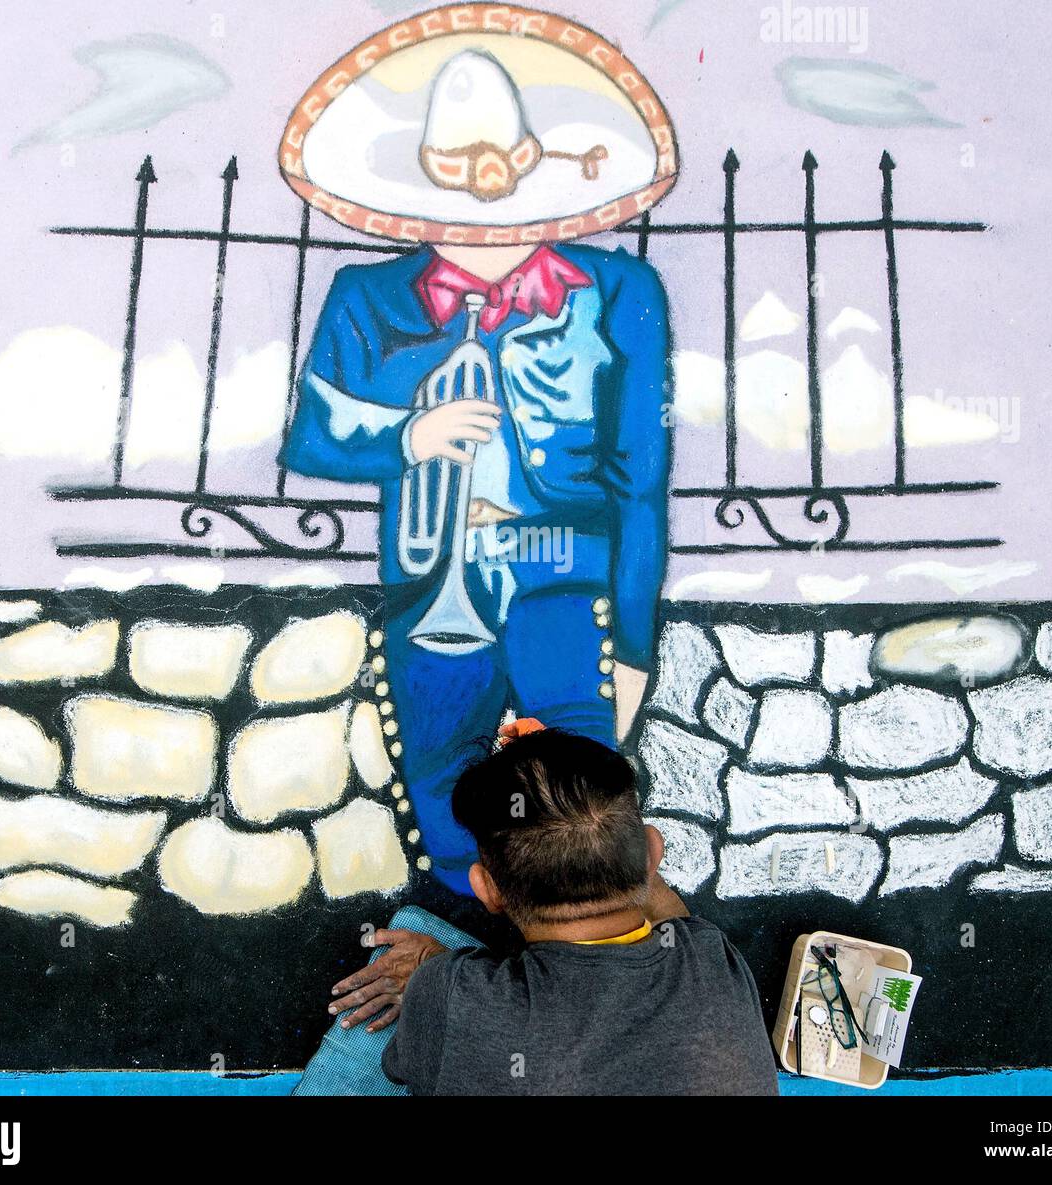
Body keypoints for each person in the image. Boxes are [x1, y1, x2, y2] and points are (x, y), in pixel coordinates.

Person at [276, 10, 680, 895]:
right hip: (430, 591)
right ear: (422, 170)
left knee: (580, 822)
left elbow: (642, 483)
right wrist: (405, 436)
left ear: (532, 161)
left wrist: (638, 644)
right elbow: (309, 435)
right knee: (444, 799)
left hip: (568, 591)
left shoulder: (620, 293)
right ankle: (475, 963)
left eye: (494, 160)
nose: (478, 187)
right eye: (454, 163)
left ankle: (568, 978)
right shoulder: (365, 296)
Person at [326, 724, 780, 1096]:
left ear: (486, 890)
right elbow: (670, 920)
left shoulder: (450, 997)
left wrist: (428, 966)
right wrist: (562, 789)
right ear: (652, 852)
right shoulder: (712, 964)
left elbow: (414, 1065)